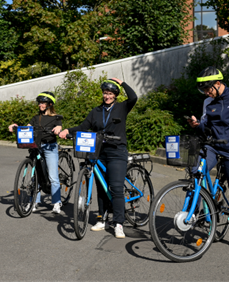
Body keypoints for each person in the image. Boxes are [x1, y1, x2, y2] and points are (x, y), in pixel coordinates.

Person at [56, 77, 136, 238]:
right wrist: (68, 131)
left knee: (115, 188)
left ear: (115, 95)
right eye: (105, 93)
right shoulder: (96, 111)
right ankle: (102, 218)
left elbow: (133, 97)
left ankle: (119, 223)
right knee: (101, 188)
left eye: (110, 93)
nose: (107, 96)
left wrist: (121, 83)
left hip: (117, 151)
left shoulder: (122, 107)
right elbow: (83, 127)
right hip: (99, 151)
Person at [8, 91, 64, 214]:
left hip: (49, 147)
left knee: (53, 177)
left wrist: (58, 128)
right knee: (36, 175)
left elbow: (59, 127)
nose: (40, 105)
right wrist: (16, 127)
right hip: (36, 146)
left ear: (49, 104)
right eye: (39, 103)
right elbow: (27, 129)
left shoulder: (56, 118)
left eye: (43, 103)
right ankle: (34, 201)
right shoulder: (35, 118)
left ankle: (56, 202)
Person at [189, 66, 228, 180]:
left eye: (207, 89)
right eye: (203, 90)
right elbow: (205, 126)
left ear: (217, 83)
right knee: (195, 173)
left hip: (229, 149)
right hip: (213, 147)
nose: (206, 93)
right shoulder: (208, 102)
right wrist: (198, 124)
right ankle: (196, 197)